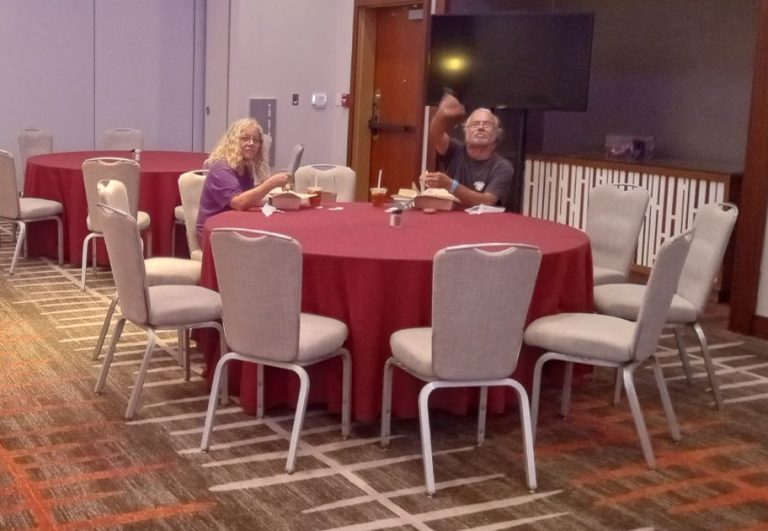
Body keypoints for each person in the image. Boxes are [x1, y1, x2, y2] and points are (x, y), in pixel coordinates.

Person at [196, 118, 289, 243]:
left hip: (233, 227)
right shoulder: (221, 169)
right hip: (214, 235)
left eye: (255, 140)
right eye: (244, 138)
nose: (251, 143)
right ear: (233, 142)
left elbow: (249, 200)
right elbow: (239, 203)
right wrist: (271, 183)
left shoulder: (246, 167)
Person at [424, 93, 514, 207]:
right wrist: (442, 114)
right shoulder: (454, 151)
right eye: (475, 124)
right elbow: (436, 134)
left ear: (496, 134)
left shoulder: (503, 167)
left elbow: (488, 201)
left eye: (487, 125)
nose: (481, 128)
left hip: (485, 222)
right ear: (466, 131)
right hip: (452, 220)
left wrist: (451, 185)